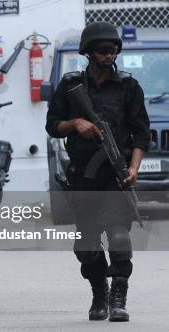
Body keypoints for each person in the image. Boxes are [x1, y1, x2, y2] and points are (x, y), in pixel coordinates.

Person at [45, 21, 150, 322]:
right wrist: (75, 124)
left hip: (117, 176)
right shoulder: (70, 86)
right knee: (87, 243)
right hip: (84, 176)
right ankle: (98, 292)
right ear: (89, 53)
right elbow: (52, 126)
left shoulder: (129, 87)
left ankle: (119, 294)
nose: (109, 55)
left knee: (118, 236)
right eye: (103, 50)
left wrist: (133, 167)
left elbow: (141, 134)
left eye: (113, 49)